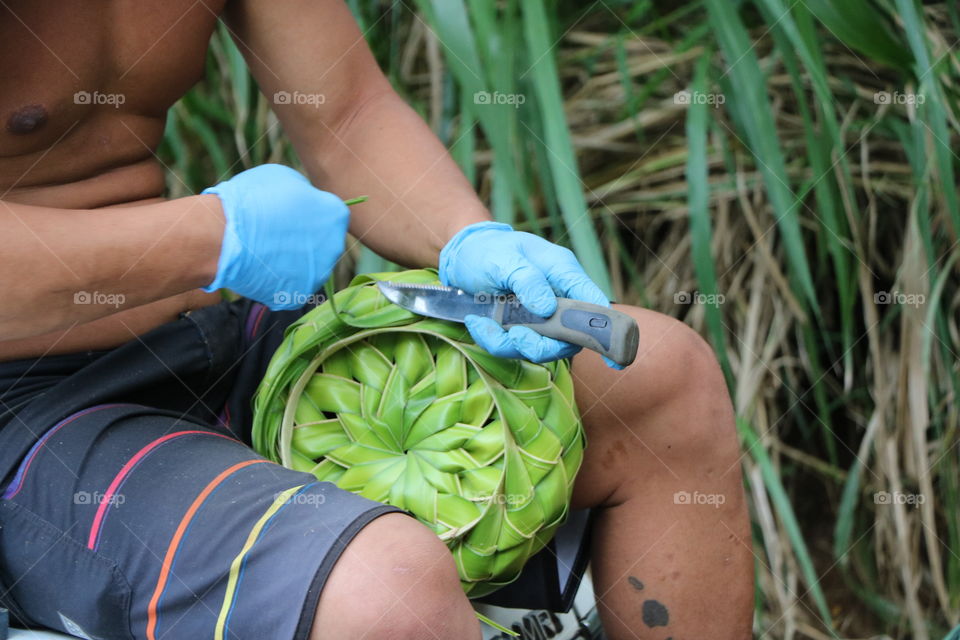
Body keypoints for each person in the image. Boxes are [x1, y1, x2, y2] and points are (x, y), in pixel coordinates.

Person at [0, 2, 753, 638]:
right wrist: (208, 238)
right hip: (26, 402)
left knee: (663, 376)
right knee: (387, 591)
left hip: (195, 332)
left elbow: (345, 111)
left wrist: (469, 237)